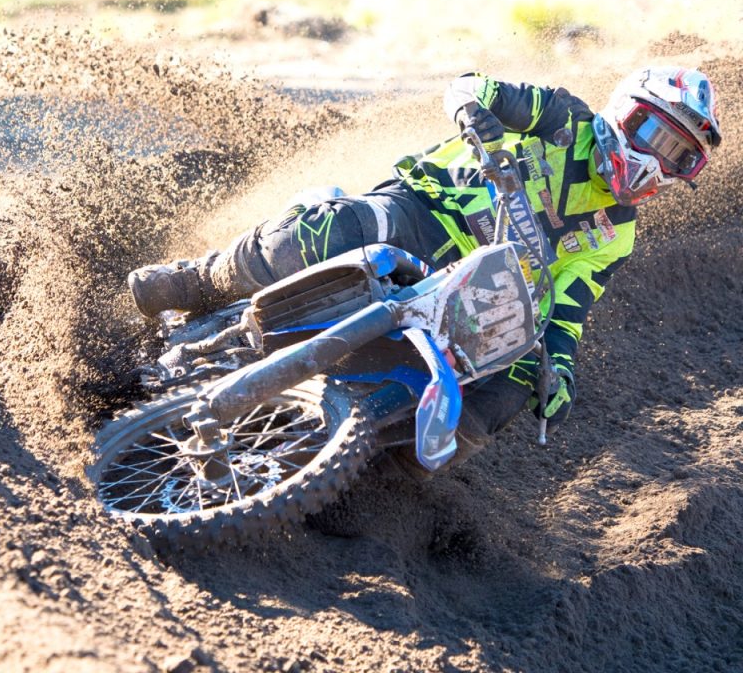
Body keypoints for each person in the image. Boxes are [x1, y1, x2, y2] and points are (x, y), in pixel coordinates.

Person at [128, 65, 721, 459]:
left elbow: (568, 312)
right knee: (333, 231)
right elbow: (470, 86)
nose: (657, 161)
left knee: (512, 385)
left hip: (478, 290)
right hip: (423, 213)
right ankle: (193, 280)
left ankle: (372, 465)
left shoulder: (617, 235)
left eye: (679, 157)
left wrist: (558, 373)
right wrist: (475, 115)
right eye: (653, 134)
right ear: (625, 112)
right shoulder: (561, 117)